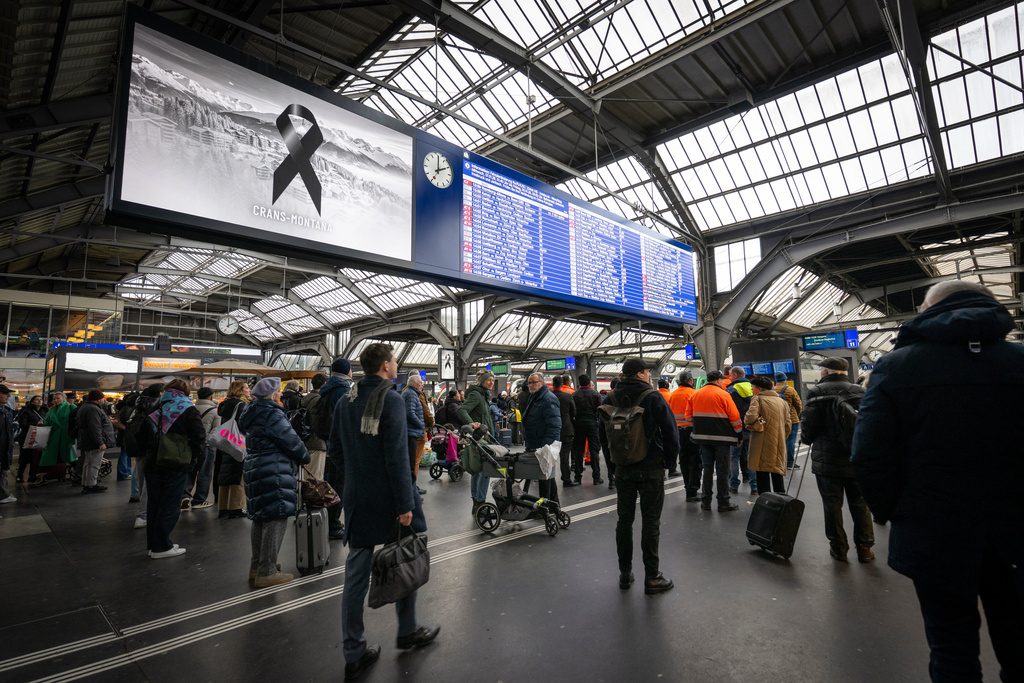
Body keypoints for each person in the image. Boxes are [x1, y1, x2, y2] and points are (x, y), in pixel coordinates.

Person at [851, 281, 1024, 681]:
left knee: (950, 648)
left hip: (933, 533)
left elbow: (869, 455)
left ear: (929, 309)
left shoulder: (895, 367)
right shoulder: (1019, 361)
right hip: (1016, 529)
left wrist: (896, 513)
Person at [329, 343, 439, 680]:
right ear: (385, 366)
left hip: (358, 498)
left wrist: (357, 477)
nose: (397, 366)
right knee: (407, 556)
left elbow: (335, 449)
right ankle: (406, 631)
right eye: (394, 361)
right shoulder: (389, 398)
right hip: (392, 499)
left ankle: (354, 650)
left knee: (356, 575)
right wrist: (405, 505)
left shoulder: (345, 401)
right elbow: (397, 458)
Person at [605, 359, 678, 594]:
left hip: (623, 468)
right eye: (647, 371)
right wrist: (668, 463)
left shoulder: (610, 398)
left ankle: (625, 573)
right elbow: (671, 434)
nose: (649, 375)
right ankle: (652, 576)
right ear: (639, 374)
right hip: (651, 467)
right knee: (650, 522)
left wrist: (612, 466)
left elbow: (605, 438)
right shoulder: (654, 397)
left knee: (624, 521)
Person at [800, 357, 872, 563]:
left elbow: (808, 427)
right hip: (856, 457)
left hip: (827, 459)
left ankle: (839, 548)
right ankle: (865, 547)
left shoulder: (817, 392)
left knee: (832, 505)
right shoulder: (859, 391)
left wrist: (806, 438)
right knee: (860, 504)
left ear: (824, 372)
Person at [240, 377, 310, 587]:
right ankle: (267, 571)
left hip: (256, 467)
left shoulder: (251, 412)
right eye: (277, 391)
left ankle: (257, 565)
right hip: (274, 468)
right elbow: (290, 440)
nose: (280, 394)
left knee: (261, 518)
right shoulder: (271, 413)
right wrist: (305, 456)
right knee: (276, 517)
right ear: (271, 394)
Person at [144, 378, 206, 558]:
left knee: (154, 503)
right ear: (186, 392)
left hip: (152, 462)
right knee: (170, 503)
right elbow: (199, 437)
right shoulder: (188, 408)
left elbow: (142, 435)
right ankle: (162, 546)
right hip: (175, 462)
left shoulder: (156, 407)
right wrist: (193, 458)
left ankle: (153, 544)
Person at [686, 370, 742, 512]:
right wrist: (739, 434)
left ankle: (706, 502)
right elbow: (734, 417)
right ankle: (723, 502)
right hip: (722, 439)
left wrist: (699, 427)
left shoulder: (695, 394)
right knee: (722, 471)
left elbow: (688, 417)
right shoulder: (724, 394)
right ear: (718, 380)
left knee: (707, 470)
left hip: (702, 439)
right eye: (722, 379)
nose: (723, 381)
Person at [320, 358, 354, 540]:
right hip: (339, 444)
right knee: (339, 484)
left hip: (328, 441)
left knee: (332, 482)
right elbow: (346, 419)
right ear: (346, 371)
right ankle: (333, 524)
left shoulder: (327, 388)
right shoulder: (342, 390)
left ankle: (329, 520)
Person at [457, 370, 495, 513]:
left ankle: (476, 502)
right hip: (480, 439)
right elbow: (462, 410)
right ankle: (480, 502)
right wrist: (471, 423)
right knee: (484, 470)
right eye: (489, 379)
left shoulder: (483, 395)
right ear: (482, 381)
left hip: (483, 438)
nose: (491, 382)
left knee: (478, 470)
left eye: (492, 380)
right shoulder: (476, 395)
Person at [744, 376, 790, 495]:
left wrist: (761, 422)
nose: (752, 390)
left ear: (759, 389)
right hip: (779, 443)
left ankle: (765, 502)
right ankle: (780, 501)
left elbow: (750, 418)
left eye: (753, 387)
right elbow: (788, 425)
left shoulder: (758, 399)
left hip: (762, 443)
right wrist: (780, 436)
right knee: (777, 473)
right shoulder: (783, 402)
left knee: (762, 473)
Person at [522, 372, 561, 502]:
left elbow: (554, 425)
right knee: (546, 476)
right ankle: (553, 506)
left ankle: (546, 507)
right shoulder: (535, 396)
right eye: (529, 383)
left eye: (534, 382)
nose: (531, 385)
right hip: (534, 443)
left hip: (543, 445)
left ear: (542, 383)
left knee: (545, 477)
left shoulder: (548, 399)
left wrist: (546, 447)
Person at [130, 384, 163, 529]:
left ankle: (145, 512)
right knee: (152, 482)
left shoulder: (138, 405)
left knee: (142, 478)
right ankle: (144, 515)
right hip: (152, 446)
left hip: (138, 445)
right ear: (161, 393)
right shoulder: (159, 407)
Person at [216, 380, 250, 520]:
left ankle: (223, 507)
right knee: (238, 475)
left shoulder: (225, 404)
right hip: (238, 442)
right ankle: (236, 507)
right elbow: (245, 425)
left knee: (225, 473)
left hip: (226, 441)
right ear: (240, 391)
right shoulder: (241, 405)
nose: (249, 391)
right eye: (247, 388)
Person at [183, 386, 220, 510]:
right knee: (205, 472)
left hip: (191, 444)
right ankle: (199, 500)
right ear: (211, 396)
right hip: (207, 445)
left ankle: (184, 495)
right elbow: (216, 431)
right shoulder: (215, 411)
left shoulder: (190, 408)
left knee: (190, 470)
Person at [667, 372, 701, 501]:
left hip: (677, 432)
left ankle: (687, 487)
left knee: (684, 459)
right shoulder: (693, 394)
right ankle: (693, 490)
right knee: (695, 460)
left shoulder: (673, 395)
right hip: (691, 430)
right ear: (691, 381)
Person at [76, 389, 117, 494]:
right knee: (94, 463)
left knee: (88, 463)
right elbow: (95, 427)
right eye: (103, 397)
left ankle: (87, 483)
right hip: (93, 441)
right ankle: (91, 485)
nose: (104, 399)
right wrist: (100, 442)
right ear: (99, 399)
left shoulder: (87, 407)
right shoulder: (92, 409)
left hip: (88, 439)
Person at [570, 374, 604, 487]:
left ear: (579, 383)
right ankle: (596, 477)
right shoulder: (595, 394)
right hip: (592, 424)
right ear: (589, 382)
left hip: (579, 424)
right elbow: (600, 409)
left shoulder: (574, 395)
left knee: (578, 451)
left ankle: (578, 477)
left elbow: (572, 411)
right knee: (594, 450)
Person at [726, 366, 755, 494]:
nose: (729, 377)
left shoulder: (731, 390)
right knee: (752, 457)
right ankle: (754, 487)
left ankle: (733, 486)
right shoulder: (753, 388)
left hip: (736, 428)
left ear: (736, 375)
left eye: (730, 375)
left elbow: (728, 411)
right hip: (752, 428)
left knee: (733, 458)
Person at [39, 391, 77, 481]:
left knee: (72, 456)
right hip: (54, 436)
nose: (55, 400)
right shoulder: (51, 409)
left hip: (67, 436)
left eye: (58, 398)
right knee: (49, 456)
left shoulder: (71, 407)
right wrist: (43, 423)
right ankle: (46, 475)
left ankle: (78, 475)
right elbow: (47, 421)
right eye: (54, 399)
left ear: (64, 399)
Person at [299, 372, 329, 479]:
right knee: (315, 479)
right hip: (316, 442)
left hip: (304, 442)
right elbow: (318, 422)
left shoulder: (304, 399)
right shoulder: (318, 400)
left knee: (305, 478)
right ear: (325, 383)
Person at [401, 374, 428, 496]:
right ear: (413, 383)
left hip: (410, 432)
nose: (422, 384)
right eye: (420, 382)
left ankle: (412, 489)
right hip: (411, 432)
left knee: (411, 463)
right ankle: (411, 492)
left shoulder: (410, 393)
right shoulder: (411, 394)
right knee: (411, 463)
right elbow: (410, 413)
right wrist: (421, 425)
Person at [773, 372, 803, 469]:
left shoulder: (772, 390)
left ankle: (779, 461)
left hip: (777, 419)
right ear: (785, 379)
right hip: (791, 419)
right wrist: (797, 414)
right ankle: (789, 462)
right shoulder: (790, 390)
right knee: (790, 440)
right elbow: (798, 404)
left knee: (779, 440)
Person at [551, 375, 576, 488]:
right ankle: (566, 479)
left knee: (548, 454)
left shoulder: (549, 396)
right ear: (562, 384)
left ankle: (548, 478)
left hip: (551, 429)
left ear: (553, 383)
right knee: (565, 455)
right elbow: (574, 412)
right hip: (566, 429)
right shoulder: (567, 396)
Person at [16, 394, 46, 485]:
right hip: (27, 437)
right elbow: (22, 424)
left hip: (39, 437)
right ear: (32, 401)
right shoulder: (26, 411)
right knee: (25, 457)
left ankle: (32, 476)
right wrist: (36, 424)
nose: (39, 401)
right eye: (37, 399)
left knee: (35, 457)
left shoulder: (45, 410)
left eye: (41, 399)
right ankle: (19, 475)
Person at [0, 385, 16, 504]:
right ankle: (3, 496)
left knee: (2, 472)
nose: (9, 396)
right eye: (5, 393)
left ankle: (3, 494)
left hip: (4, 448)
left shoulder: (4, 411)